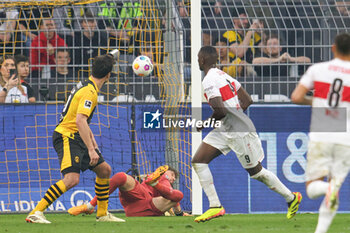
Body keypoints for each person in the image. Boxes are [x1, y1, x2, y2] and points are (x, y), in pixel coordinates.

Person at [192, 46, 302, 222]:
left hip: (238, 131)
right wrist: (235, 115)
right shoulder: (223, 75)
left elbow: (220, 110)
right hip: (224, 128)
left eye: (198, 58)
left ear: (203, 60)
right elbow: (247, 99)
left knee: (256, 173)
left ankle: (291, 198)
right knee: (198, 161)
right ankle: (215, 206)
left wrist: (205, 124)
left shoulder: (209, 80)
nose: (197, 61)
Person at [25, 54, 124, 223]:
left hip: (76, 135)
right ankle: (36, 212)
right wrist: (91, 150)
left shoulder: (87, 85)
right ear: (108, 75)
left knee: (104, 170)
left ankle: (102, 214)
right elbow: (80, 120)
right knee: (72, 179)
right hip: (67, 136)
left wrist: (92, 144)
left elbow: (83, 121)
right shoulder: (90, 92)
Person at [291, 33, 350, 233]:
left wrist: (315, 102)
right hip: (345, 138)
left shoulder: (318, 69)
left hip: (321, 134)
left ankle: (327, 189)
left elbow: (297, 97)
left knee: (312, 188)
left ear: (333, 48)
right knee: (335, 187)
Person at [68, 165, 190, 217]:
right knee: (121, 176)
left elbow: (174, 198)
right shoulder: (162, 177)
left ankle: (90, 205)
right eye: (172, 174)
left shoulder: (165, 184)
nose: (173, 178)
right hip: (138, 198)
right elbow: (174, 198)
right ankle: (90, 206)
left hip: (146, 206)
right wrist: (179, 213)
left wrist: (180, 213)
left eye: (174, 178)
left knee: (177, 195)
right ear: (164, 169)